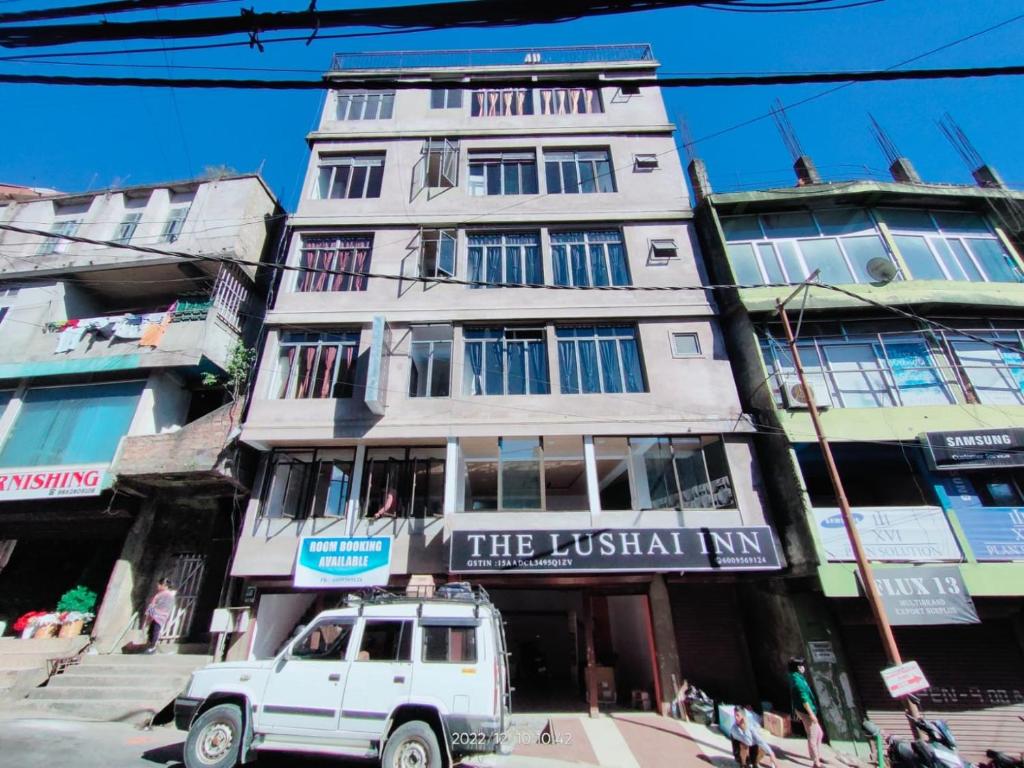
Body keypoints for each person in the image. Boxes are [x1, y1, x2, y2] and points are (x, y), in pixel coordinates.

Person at [788, 657, 824, 768]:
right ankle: (816, 762)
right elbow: (804, 700)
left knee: (819, 733)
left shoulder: (796, 677)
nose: (804, 668)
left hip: (804, 710)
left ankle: (816, 755)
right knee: (813, 735)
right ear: (798, 668)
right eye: (801, 666)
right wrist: (812, 715)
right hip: (806, 712)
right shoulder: (798, 682)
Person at [143, 578, 176, 654]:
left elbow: (154, 605)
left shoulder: (165, 594)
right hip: (159, 615)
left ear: (164, 585)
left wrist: (149, 614)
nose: (157, 586)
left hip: (158, 615)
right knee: (152, 631)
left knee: (154, 631)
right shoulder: (165, 594)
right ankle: (150, 646)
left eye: (159, 585)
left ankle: (152, 647)